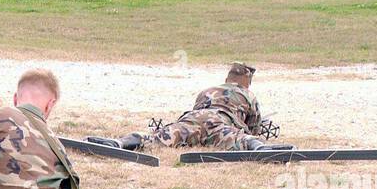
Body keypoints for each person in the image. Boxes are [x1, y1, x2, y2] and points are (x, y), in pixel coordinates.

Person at [100, 62, 286, 152]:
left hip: (192, 119)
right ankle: (261, 151)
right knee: (244, 141)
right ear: (247, 81)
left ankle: (120, 143)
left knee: (158, 138)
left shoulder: (207, 90)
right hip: (220, 123)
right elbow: (253, 128)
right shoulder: (248, 95)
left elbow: (196, 111)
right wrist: (255, 137)